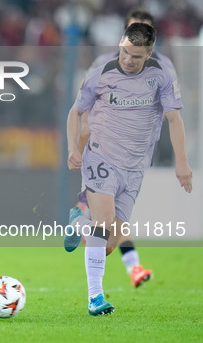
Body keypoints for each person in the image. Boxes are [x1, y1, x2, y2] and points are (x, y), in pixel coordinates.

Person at [65, 23, 192, 316]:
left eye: (136, 56)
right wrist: (74, 147)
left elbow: (174, 120)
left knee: (108, 243)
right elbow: (76, 111)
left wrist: (181, 162)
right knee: (104, 226)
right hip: (101, 158)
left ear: (149, 54)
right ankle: (95, 298)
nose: (127, 60)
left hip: (135, 168)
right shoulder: (102, 73)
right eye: (125, 52)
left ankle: (76, 222)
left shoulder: (161, 77)